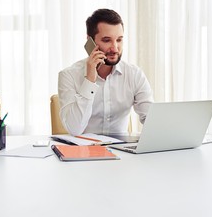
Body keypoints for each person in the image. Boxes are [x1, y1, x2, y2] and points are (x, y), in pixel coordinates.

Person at [58, 8, 153, 136]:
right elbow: (74, 129)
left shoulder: (134, 74)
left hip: (121, 153)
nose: (115, 48)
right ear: (90, 41)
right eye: (107, 40)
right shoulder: (68, 76)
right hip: (83, 152)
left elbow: (152, 120)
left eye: (119, 40)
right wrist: (90, 80)